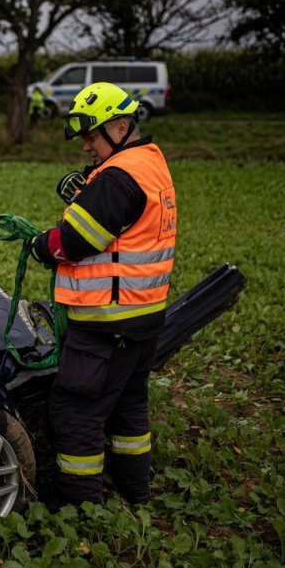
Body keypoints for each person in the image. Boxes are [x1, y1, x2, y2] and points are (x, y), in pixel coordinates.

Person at [29, 82, 177, 507]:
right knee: (129, 406)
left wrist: (41, 245)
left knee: (76, 411)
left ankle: (81, 509)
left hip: (105, 323)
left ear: (120, 127)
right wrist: (87, 192)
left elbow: (75, 240)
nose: (86, 147)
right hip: (142, 318)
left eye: (92, 137)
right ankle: (135, 491)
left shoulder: (116, 177)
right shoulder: (150, 163)